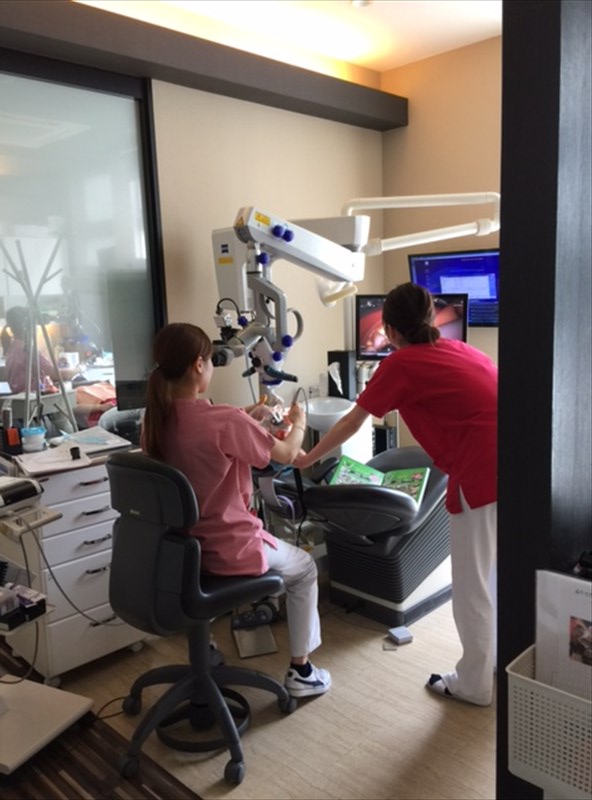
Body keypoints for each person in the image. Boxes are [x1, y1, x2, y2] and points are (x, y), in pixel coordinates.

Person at [295, 283, 498, 707]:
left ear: (388, 329)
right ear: (432, 317)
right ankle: (497, 662)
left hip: (481, 472)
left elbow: (352, 422)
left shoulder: (401, 364)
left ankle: (474, 684)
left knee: (472, 586)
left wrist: (305, 457)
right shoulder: (461, 350)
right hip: (519, 467)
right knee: (495, 578)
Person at [141, 322, 331, 699]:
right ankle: (302, 671)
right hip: (228, 550)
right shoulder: (224, 421)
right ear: (199, 365)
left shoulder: (154, 421)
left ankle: (206, 648)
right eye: (211, 361)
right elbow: (286, 453)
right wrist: (300, 422)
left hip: (179, 553)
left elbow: (208, 425)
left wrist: (249, 416)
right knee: (304, 569)